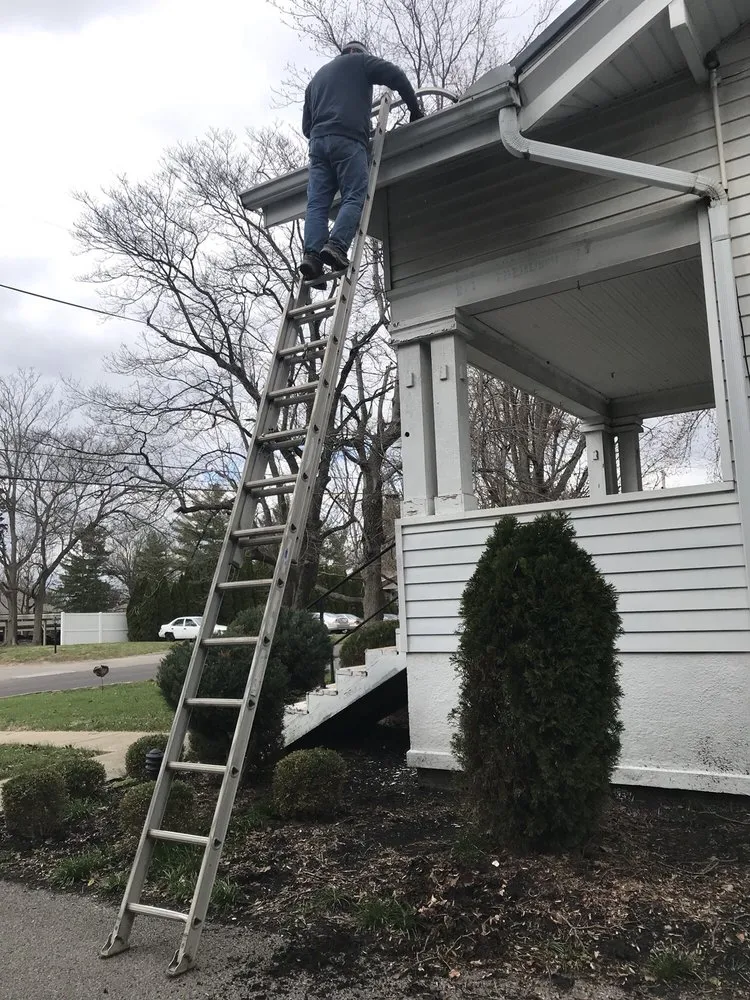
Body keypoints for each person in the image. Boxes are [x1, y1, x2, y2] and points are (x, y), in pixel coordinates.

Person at [300, 40, 424, 286]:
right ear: (358, 52)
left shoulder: (316, 79)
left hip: (318, 146)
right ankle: (336, 246)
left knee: (317, 204)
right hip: (348, 140)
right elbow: (397, 76)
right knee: (354, 194)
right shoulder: (361, 62)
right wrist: (414, 109)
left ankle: (311, 258)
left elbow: (306, 127)